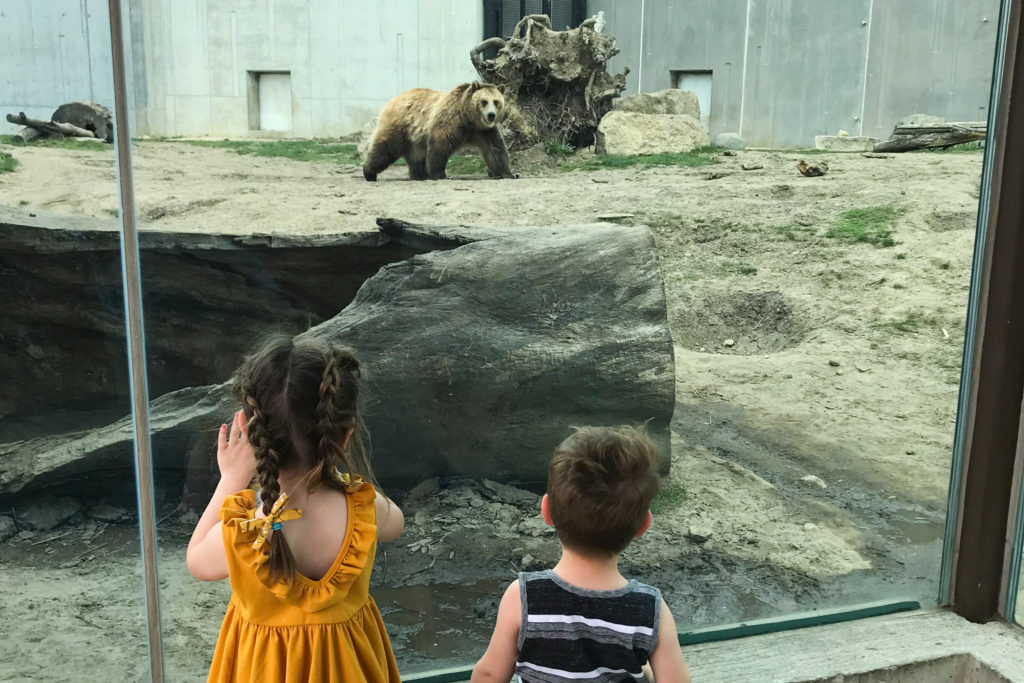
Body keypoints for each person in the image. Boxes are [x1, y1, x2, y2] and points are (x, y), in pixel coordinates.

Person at [186, 335, 405, 683]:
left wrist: (231, 479)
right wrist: (338, 470)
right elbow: (397, 524)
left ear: (254, 434)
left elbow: (197, 561)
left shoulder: (245, 530)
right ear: (344, 436)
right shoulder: (364, 507)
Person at [471, 426, 692, 683]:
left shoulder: (523, 597)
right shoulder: (651, 608)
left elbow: (489, 674)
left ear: (547, 512)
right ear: (644, 525)